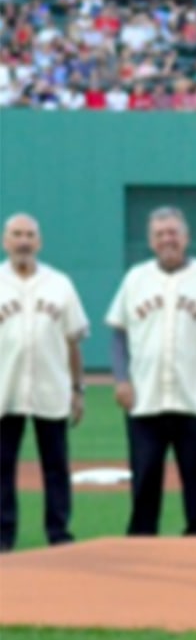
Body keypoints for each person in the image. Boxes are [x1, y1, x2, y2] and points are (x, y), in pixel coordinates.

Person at [104, 207, 196, 537]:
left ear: (186, 237)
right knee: (145, 477)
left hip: (192, 397)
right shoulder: (136, 278)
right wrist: (121, 379)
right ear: (151, 241)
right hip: (145, 397)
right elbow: (119, 333)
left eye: (173, 233)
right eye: (160, 234)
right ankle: (141, 540)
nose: (168, 239)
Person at [0, 213, 87, 552]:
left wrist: (78, 390)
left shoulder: (59, 283)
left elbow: (73, 341)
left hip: (51, 388)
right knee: (2, 468)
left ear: (39, 242)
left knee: (55, 466)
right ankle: (3, 535)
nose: (23, 241)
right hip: (4, 391)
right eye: (16, 234)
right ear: (5, 240)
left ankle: (59, 533)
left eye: (29, 235)